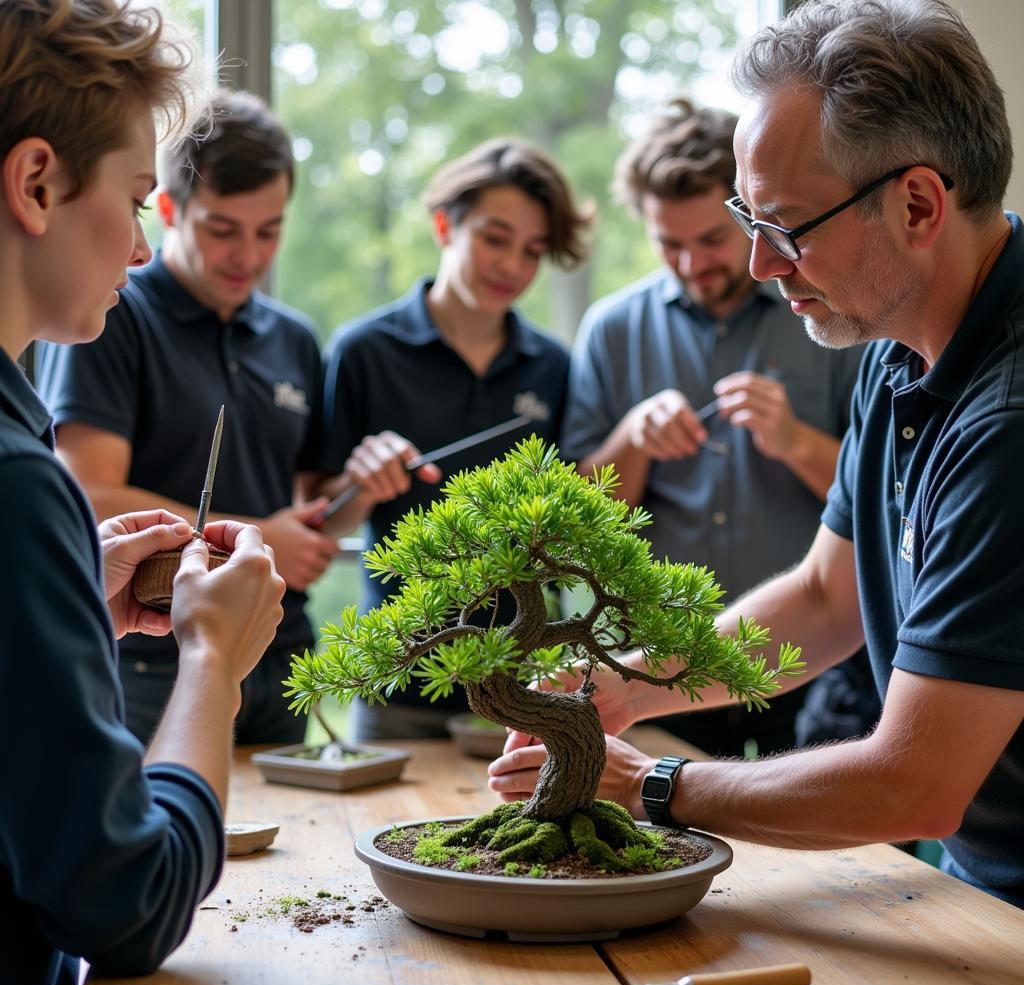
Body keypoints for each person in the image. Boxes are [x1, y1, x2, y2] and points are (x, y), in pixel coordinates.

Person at [490, 0, 1024, 910]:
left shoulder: (1007, 422)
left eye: (785, 226)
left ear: (919, 205)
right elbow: (824, 598)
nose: (759, 265)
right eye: (748, 217)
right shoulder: (898, 345)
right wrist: (617, 685)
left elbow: (915, 785)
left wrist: (650, 785)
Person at [0, 2, 286, 985]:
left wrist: (73, 601)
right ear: (37, 183)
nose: (134, 245)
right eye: (133, 197)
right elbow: (126, 906)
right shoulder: (19, 477)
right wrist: (213, 661)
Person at [561, 97, 876, 758]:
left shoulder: (836, 314)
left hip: (811, 659)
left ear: (751, 215)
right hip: (652, 664)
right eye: (669, 244)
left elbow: (886, 500)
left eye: (710, 240)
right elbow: (577, 533)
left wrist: (795, 440)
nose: (691, 263)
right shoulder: (613, 332)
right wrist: (630, 444)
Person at [36, 87, 338, 745]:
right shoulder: (110, 311)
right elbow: (89, 495)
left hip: (280, 649)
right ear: (169, 209)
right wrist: (265, 536)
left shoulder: (295, 337)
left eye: (270, 231)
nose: (248, 256)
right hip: (153, 651)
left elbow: (312, 507)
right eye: (223, 230)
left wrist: (364, 485)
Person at [323, 138, 592, 740]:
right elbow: (325, 521)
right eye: (495, 239)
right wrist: (362, 483)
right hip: (399, 678)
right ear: (445, 225)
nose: (512, 268)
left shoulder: (552, 365)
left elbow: (575, 512)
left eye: (533, 251)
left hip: (525, 684)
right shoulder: (363, 351)